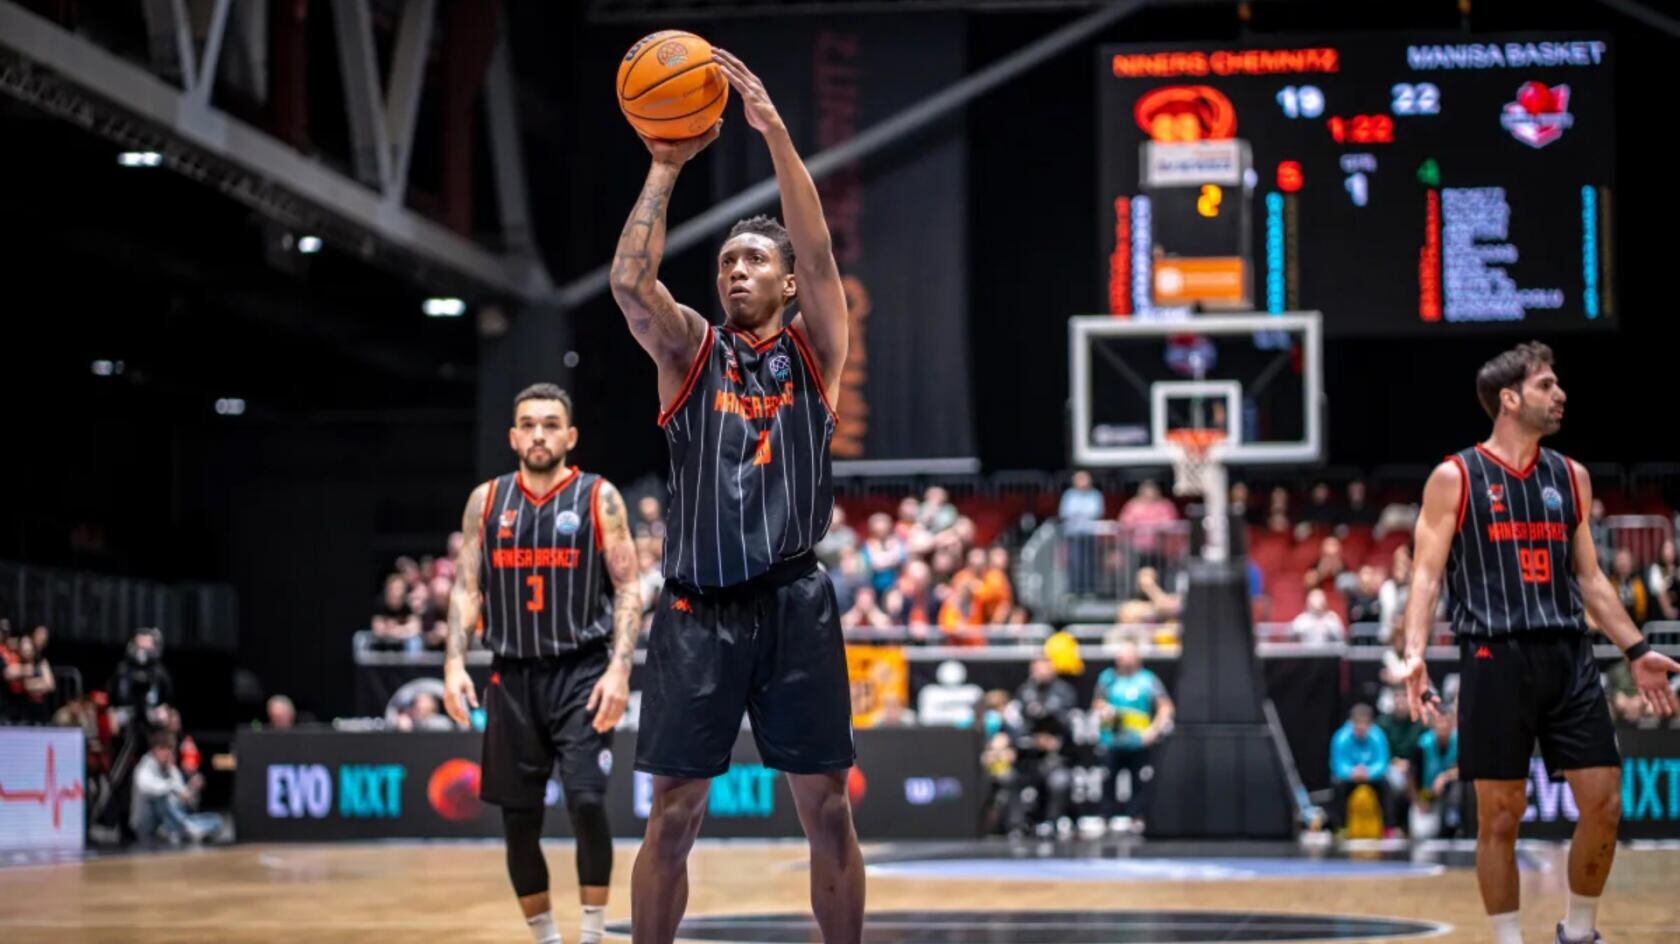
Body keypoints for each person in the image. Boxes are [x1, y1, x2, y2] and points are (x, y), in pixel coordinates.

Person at [608, 48, 860, 944]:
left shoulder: (815, 352)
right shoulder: (690, 351)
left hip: (794, 604)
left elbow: (818, 249)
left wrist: (774, 131)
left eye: (754, 260)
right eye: (725, 263)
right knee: (672, 814)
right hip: (697, 610)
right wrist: (665, 162)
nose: (735, 272)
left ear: (787, 285)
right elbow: (629, 283)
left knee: (827, 810)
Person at [1396, 342, 1680, 944]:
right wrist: (1414, 651)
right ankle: (1508, 939)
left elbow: (1591, 579)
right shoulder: (1455, 477)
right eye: (1546, 385)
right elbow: (1424, 575)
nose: (1560, 395)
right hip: (1492, 656)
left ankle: (1578, 933)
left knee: (1604, 802)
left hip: (1568, 656)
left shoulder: (1571, 476)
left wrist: (1636, 650)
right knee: (1500, 817)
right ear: (1509, 398)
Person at [440, 384, 644, 944]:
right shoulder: (486, 501)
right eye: (528, 424)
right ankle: (547, 938)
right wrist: (454, 664)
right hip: (511, 675)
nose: (538, 434)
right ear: (512, 437)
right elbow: (466, 588)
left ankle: (593, 934)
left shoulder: (598, 497)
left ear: (569, 436)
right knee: (518, 819)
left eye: (550, 424)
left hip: (582, 672)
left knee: (587, 802)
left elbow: (629, 587)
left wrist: (620, 670)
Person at [1092, 642, 1173, 833]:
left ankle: (1137, 817)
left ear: (1137, 658)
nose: (1123, 659)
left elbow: (1165, 706)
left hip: (1139, 742)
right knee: (1108, 779)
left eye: (1127, 655)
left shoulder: (1148, 679)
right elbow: (1098, 702)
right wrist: (1105, 710)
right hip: (1112, 740)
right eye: (1121, 656)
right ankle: (1105, 817)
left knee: (1139, 781)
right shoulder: (1108, 678)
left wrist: (1154, 730)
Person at [1328, 704, 1391, 832]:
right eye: (1357, 724)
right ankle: (1341, 827)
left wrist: (1369, 772)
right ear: (1351, 723)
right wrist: (1351, 772)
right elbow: (1337, 764)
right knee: (1337, 785)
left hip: (1370, 776)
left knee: (1386, 785)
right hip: (1350, 777)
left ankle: (1388, 827)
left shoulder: (1378, 736)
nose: (1361, 728)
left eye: (1364, 724)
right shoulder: (1341, 737)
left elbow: (1382, 762)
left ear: (1370, 724)